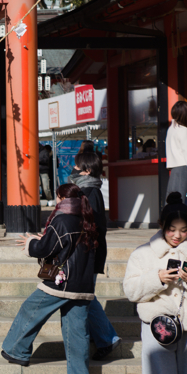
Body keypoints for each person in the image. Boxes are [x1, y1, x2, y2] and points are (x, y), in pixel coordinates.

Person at [1, 184, 98, 374]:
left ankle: (16, 350)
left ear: (62, 198)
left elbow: (44, 249)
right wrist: (46, 239)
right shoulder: (87, 219)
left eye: (58, 197)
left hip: (61, 282)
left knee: (30, 310)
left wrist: (31, 243)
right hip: (83, 284)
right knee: (76, 329)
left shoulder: (62, 220)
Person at [123, 196, 187, 374]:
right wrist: (158, 278)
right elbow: (131, 291)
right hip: (157, 328)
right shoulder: (142, 254)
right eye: (172, 229)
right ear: (162, 225)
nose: (177, 236)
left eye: (184, 230)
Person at [69, 150, 121, 360]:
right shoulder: (86, 190)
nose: (74, 169)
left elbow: (92, 227)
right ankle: (100, 335)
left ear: (87, 170)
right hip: (87, 253)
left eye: (77, 166)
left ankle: (108, 338)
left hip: (88, 254)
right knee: (85, 295)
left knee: (86, 296)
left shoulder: (89, 193)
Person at [166, 100, 187, 203]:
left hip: (174, 168)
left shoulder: (171, 129)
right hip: (183, 167)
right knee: (181, 200)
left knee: (172, 200)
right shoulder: (184, 130)